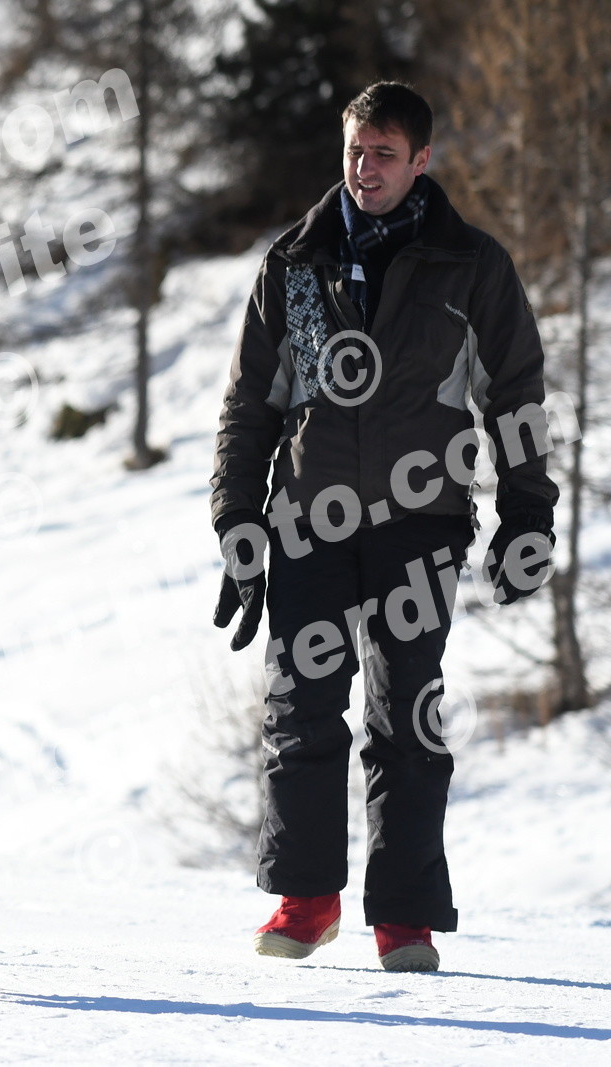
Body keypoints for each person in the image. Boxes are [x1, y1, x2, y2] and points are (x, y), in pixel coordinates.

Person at [210, 82, 557, 972]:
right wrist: (237, 517)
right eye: (356, 152)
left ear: (422, 161)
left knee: (407, 712)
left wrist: (527, 510)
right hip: (308, 521)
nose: (365, 170)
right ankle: (307, 899)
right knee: (300, 704)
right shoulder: (296, 262)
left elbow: (515, 394)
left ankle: (403, 916)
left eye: (385, 155)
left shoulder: (470, 264)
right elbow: (251, 403)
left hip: (420, 523)